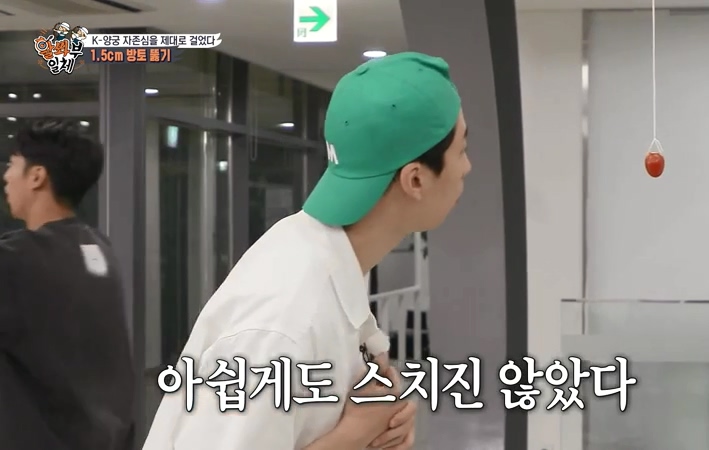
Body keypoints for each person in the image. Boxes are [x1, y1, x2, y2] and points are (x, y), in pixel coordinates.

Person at [143, 51, 470, 450]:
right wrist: (356, 433)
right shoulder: (284, 321)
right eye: (461, 150)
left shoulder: (323, 256)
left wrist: (384, 418)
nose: (467, 167)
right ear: (415, 179)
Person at [0, 120, 135, 449]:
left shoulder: (16, 260)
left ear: (37, 176)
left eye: (12, 165)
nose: (6, 177)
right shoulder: (98, 249)